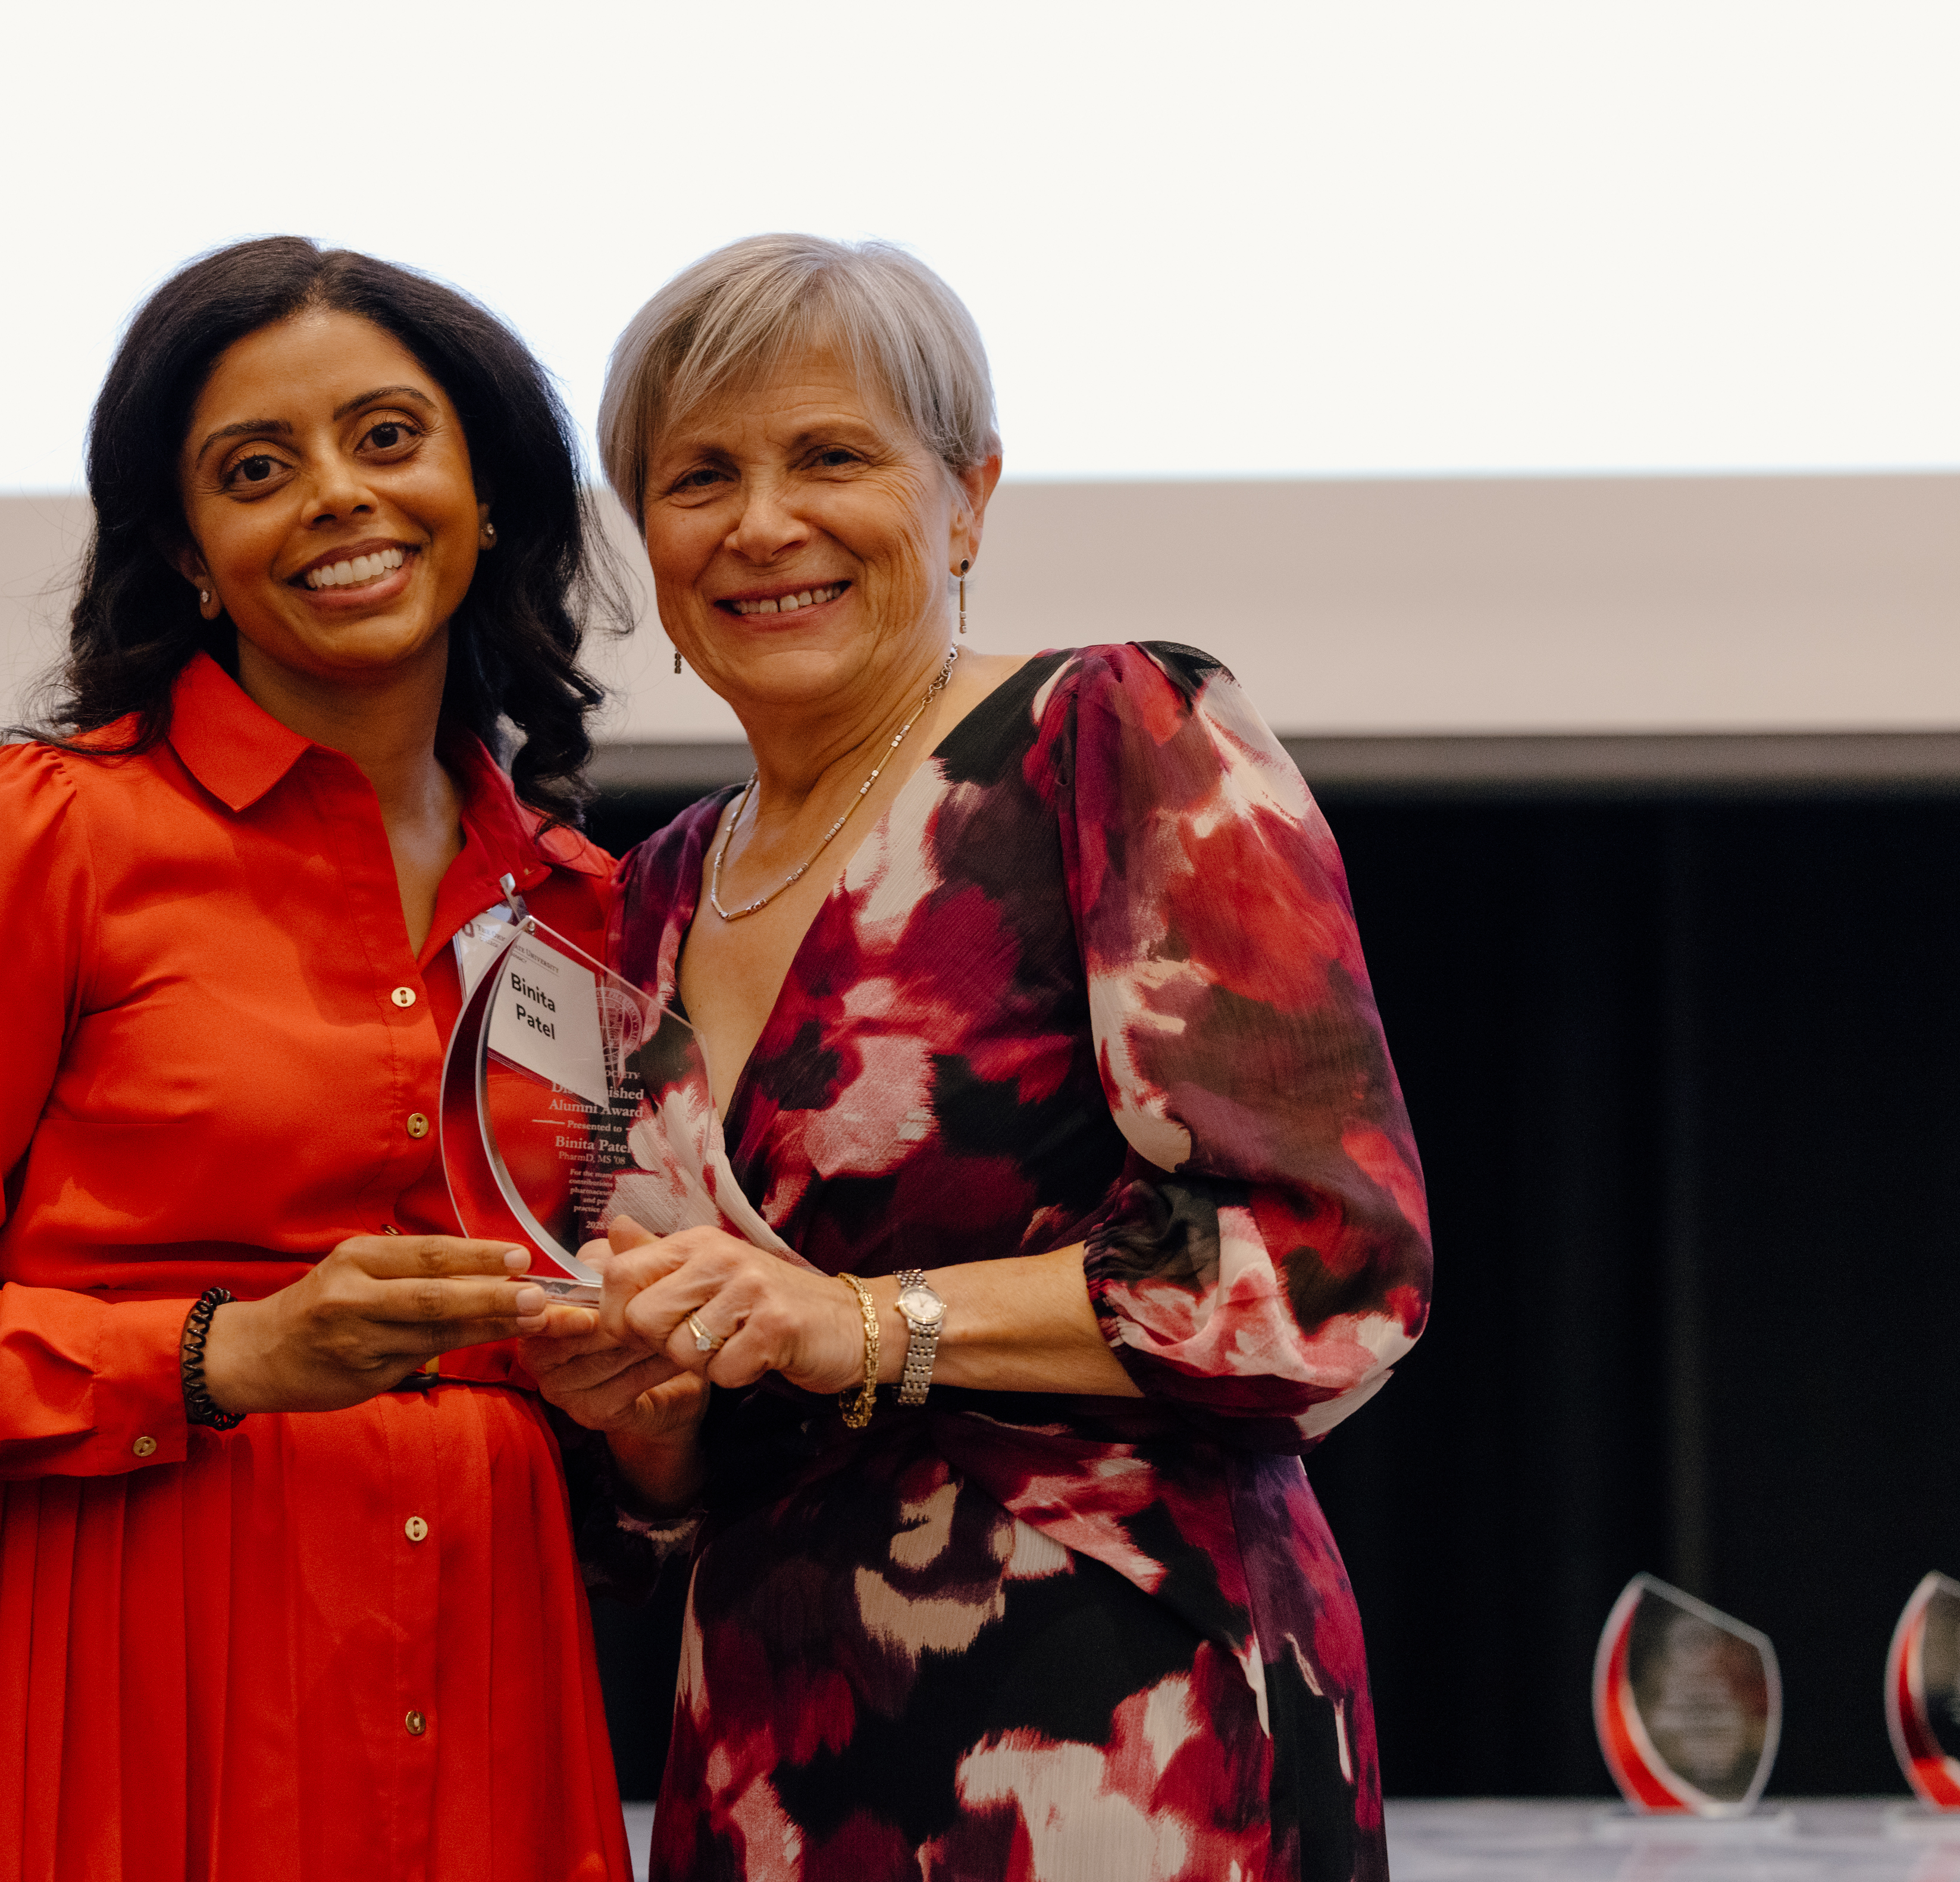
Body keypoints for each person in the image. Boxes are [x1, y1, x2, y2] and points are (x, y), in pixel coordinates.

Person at [521, 234, 1433, 1881]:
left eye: (832, 456)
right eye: (698, 474)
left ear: (968, 499)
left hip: (1118, 1725)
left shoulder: (1111, 733)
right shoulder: (638, 903)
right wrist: (638, 1415)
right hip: (770, 1752)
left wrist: (867, 1321)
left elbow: (1329, 1268)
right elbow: (662, 1475)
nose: (761, 521)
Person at [0, 237, 635, 1882]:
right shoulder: (54, 832)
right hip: (109, 1673)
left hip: (483, 1661)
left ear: (488, 487)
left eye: (387, 438)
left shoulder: (579, 906)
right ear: (189, 553)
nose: (336, 497)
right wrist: (220, 1355)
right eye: (256, 469)